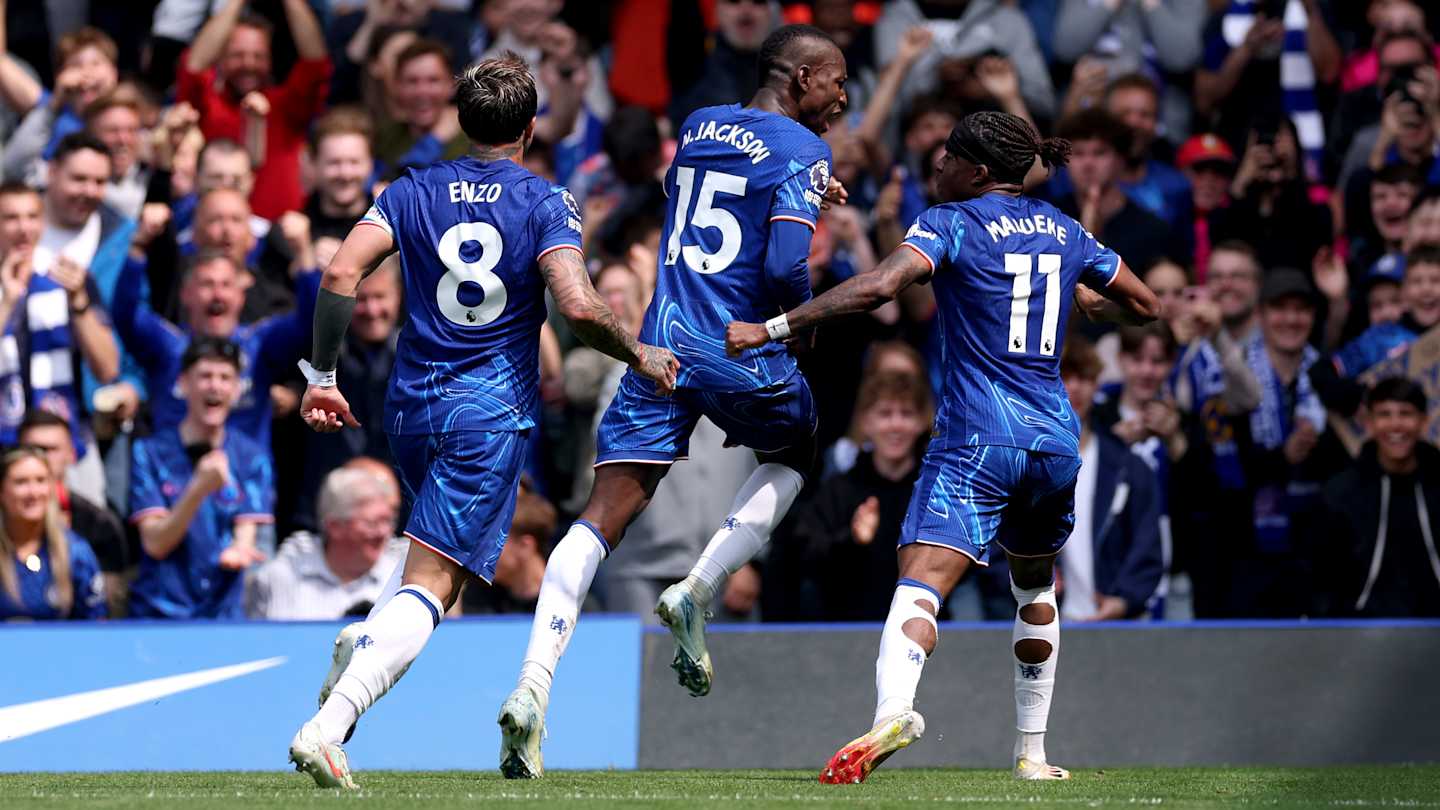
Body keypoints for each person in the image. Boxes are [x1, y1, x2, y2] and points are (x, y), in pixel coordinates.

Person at [725, 110, 1159, 782]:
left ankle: (893, 711)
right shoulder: (1066, 229)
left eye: (948, 155)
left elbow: (880, 286)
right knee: (1034, 585)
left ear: (978, 171)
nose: (937, 163)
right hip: (1053, 442)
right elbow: (1146, 305)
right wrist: (1087, 301)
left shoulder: (950, 223)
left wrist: (773, 326)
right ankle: (1033, 753)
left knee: (921, 581)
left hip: (978, 436)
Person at [287, 53, 677, 789]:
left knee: (429, 566)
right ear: (529, 129)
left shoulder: (409, 189)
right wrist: (640, 352)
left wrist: (324, 377)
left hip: (411, 407)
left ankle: (362, 640)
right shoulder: (544, 202)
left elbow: (339, 273)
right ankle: (328, 726)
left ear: (462, 122)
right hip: (487, 415)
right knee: (436, 585)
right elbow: (579, 306)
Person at [496, 25, 846, 779]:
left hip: (662, 348)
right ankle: (700, 586)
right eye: (836, 81)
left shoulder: (698, 124)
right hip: (739, 347)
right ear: (803, 78)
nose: (843, 97)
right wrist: (800, 323)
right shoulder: (804, 149)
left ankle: (532, 683)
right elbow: (786, 266)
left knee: (598, 519)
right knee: (797, 453)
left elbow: (708, 192)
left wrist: (810, 185)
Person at [127, 338, 273, 620]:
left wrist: (240, 550)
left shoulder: (251, 457)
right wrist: (198, 489)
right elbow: (155, 543)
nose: (215, 386)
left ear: (237, 389)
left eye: (225, 378)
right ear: (183, 384)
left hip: (223, 616)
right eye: (205, 376)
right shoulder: (149, 453)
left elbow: (246, 534)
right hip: (160, 614)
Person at [789, 370, 933, 621]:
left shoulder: (934, 492)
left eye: (906, 414)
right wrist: (852, 539)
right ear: (866, 422)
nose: (895, 425)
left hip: (922, 628)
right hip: (849, 628)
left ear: (922, 421)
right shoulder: (839, 489)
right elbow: (805, 558)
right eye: (885, 414)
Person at [176, 0, 332, 219]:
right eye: (237, 55)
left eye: (258, 56)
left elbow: (316, 62)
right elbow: (194, 66)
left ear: (270, 60)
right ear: (221, 58)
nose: (248, 64)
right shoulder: (208, 106)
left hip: (281, 232)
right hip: (218, 229)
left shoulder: (286, 105)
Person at [1312, 377, 1440, 618]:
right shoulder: (1340, 493)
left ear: (1423, 422)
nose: (1395, 425)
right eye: (1384, 414)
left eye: (1406, 414)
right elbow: (1323, 575)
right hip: (1360, 627)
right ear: (1369, 423)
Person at [1057, 336, 1164, 622]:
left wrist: (1124, 600)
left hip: (1115, 625)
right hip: (1043, 624)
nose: (1074, 387)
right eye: (1064, 376)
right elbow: (998, 546)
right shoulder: (1023, 466)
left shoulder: (1129, 466)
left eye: (1084, 377)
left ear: (1096, 385)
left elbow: (1148, 545)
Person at [246, 467, 405, 620]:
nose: (383, 532)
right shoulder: (284, 576)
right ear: (334, 526)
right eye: (372, 523)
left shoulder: (403, 577)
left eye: (388, 521)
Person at [17, 410, 126, 615]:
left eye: (52, 449)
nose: (42, 458)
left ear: (72, 453)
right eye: (33, 449)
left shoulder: (100, 525)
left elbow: (104, 609)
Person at [0, 445, 105, 620]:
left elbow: (96, 624)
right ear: (2, 491)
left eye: (41, 480)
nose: (33, 492)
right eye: (21, 482)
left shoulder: (75, 552)